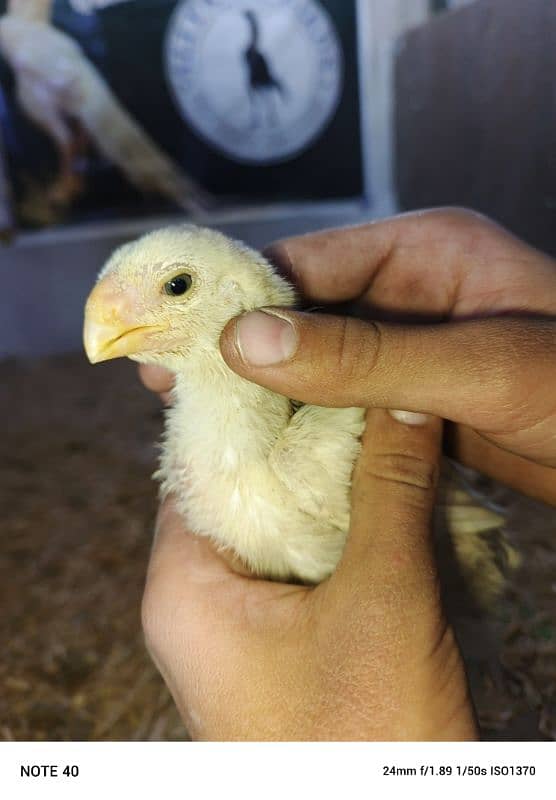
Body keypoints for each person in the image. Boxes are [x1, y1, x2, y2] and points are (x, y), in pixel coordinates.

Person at [139, 208, 556, 740]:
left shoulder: (313, 451)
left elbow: (467, 532)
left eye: (178, 286)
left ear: (235, 291)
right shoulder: (216, 444)